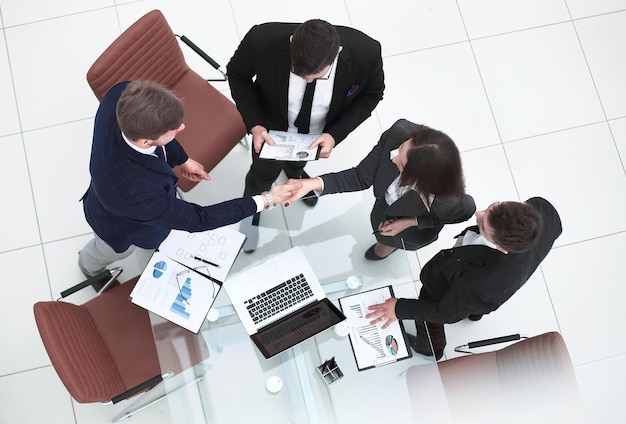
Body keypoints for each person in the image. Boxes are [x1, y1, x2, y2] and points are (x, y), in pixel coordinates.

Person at [78, 80, 301, 286]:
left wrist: (183, 160)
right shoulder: (135, 192)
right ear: (145, 141)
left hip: (130, 192)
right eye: (174, 131)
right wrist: (267, 199)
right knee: (112, 251)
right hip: (116, 223)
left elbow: (160, 143)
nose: (182, 128)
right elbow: (199, 219)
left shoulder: (121, 94)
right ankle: (88, 268)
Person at [226, 18, 385, 251]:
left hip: (317, 134)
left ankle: (297, 174)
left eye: (317, 76)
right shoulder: (261, 39)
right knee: (260, 177)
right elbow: (237, 74)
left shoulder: (367, 51)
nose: (308, 80)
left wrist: (334, 134)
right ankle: (252, 214)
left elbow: (372, 94)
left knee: (297, 165)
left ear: (338, 52)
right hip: (271, 130)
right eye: (299, 74)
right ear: (292, 43)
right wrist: (255, 124)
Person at [365, 197, 562, 360]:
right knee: (476, 306)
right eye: (491, 209)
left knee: (433, 304)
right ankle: (475, 314)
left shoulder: (482, 286)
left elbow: (445, 313)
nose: (478, 214)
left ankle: (431, 348)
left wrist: (399, 308)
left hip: (467, 285)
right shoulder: (540, 208)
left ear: (502, 248)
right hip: (495, 278)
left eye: (484, 225)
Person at [284, 119, 476, 259]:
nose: (393, 159)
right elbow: (360, 177)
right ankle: (384, 241)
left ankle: (390, 247)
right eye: (400, 149)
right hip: (385, 208)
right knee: (379, 224)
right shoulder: (398, 133)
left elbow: (457, 216)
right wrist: (312, 184)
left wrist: (411, 222)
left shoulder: (450, 202)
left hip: (411, 232)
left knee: (394, 240)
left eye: (401, 165)